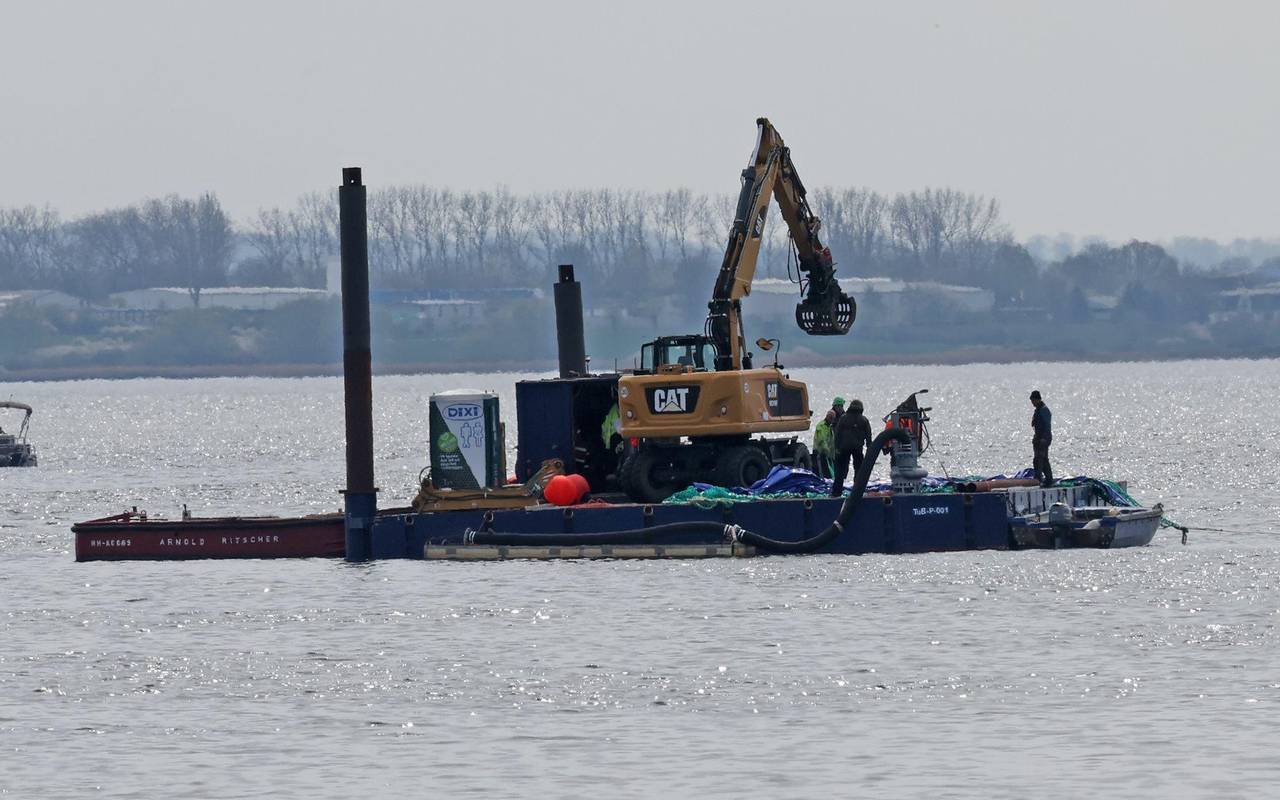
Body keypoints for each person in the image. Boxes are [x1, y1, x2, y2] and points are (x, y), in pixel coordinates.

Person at [831, 398, 873, 497]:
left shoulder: (843, 418)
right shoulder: (864, 420)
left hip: (843, 448)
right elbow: (869, 436)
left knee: (840, 472)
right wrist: (869, 448)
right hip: (858, 448)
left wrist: (836, 447)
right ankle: (858, 492)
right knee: (859, 470)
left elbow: (837, 434)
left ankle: (836, 492)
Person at [1030, 389, 1053, 487]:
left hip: (1044, 439)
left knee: (1041, 459)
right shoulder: (1038, 410)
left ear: (1038, 399)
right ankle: (1042, 479)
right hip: (1038, 438)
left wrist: (1044, 438)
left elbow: (1047, 426)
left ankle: (1043, 479)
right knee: (1039, 459)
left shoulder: (1044, 410)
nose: (1032, 403)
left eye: (1033, 401)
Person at [812, 408, 837, 478]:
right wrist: (826, 450)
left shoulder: (829, 427)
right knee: (822, 473)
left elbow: (831, 442)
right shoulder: (821, 426)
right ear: (827, 417)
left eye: (833, 418)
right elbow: (821, 440)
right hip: (819, 453)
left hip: (826, 454)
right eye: (831, 418)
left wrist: (832, 454)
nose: (832, 420)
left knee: (828, 473)